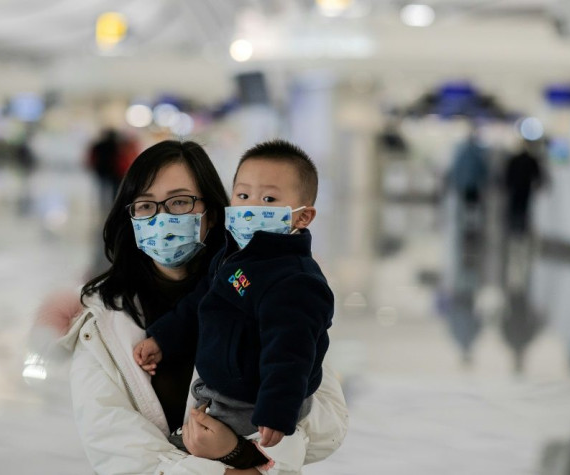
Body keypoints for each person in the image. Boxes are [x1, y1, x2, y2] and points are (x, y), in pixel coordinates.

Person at [50, 140, 347, 474]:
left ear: (213, 212)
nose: (162, 219)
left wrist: (242, 449)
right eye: (146, 206)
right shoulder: (101, 322)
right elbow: (122, 454)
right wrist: (234, 468)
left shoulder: (275, 286)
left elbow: (325, 424)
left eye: (180, 202)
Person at [133, 140, 332, 471]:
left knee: (203, 453)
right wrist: (163, 338)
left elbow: (292, 353)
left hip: (252, 402)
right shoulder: (235, 255)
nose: (251, 206)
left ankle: (238, 459)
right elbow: (202, 302)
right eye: (243, 196)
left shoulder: (295, 280)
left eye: (268, 199)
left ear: (303, 216)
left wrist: (276, 410)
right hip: (223, 388)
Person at [503, 139, 545, 235]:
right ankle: (520, 227)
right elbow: (537, 174)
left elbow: (508, 174)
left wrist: (507, 185)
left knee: (515, 207)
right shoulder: (530, 159)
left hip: (516, 187)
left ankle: (515, 227)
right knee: (523, 208)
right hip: (525, 188)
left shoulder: (515, 159)